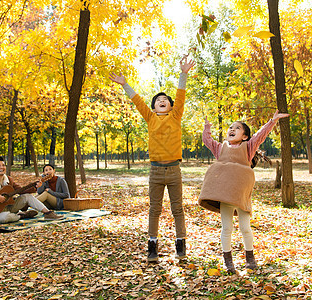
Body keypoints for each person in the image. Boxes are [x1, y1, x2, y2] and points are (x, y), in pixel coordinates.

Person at [109, 56, 195, 262]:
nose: (162, 100)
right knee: (154, 209)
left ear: (172, 106)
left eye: (165, 99)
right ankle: (152, 245)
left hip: (174, 171)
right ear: (154, 107)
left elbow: (181, 96)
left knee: (177, 208)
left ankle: (180, 242)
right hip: (155, 171)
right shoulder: (150, 118)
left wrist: (183, 74)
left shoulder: (176, 116)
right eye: (158, 100)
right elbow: (137, 100)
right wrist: (125, 85)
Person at [198, 110, 289, 273]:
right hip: (226, 195)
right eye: (230, 127)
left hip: (242, 194)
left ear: (245, 136)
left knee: (245, 228)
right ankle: (228, 261)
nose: (231, 129)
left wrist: (272, 121)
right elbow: (207, 140)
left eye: (237, 128)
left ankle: (250, 257)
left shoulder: (248, 147)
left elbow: (261, 135)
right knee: (227, 228)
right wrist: (207, 127)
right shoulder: (220, 148)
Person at [0, 156, 63, 223]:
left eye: (3, 165)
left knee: (27, 197)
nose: (2, 167)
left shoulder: (8, 179)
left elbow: (21, 190)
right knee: (5, 218)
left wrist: (35, 187)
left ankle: (48, 213)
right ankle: (21, 216)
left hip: (9, 207)